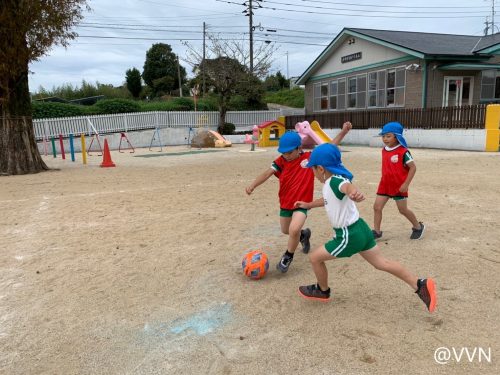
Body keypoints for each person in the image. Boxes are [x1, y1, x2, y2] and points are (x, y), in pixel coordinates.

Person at [294, 143, 437, 312]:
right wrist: (309, 204)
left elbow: (346, 187)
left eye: (313, 169)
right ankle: (419, 285)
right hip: (360, 228)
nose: (313, 173)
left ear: (321, 168)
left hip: (348, 235)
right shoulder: (331, 183)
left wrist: (353, 192)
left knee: (315, 258)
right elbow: (328, 200)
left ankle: (322, 290)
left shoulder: (336, 181)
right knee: (382, 263)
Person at [245, 122, 352, 273]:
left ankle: (288, 256)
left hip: (302, 204)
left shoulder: (309, 158)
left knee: (294, 229)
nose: (286, 155)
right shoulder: (280, 161)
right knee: (287, 230)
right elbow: (267, 173)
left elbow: (330, 147)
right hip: (285, 202)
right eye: (283, 152)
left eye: (289, 152)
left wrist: (343, 132)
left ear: (299, 148)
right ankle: (304, 235)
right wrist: (253, 185)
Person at [372, 122, 425, 240]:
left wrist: (406, 184)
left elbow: (413, 167)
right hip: (385, 184)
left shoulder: (403, 152)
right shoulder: (384, 150)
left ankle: (418, 227)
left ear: (397, 137)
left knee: (402, 210)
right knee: (377, 207)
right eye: (383, 136)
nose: (385, 139)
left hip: (399, 186)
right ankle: (377, 231)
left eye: (388, 136)